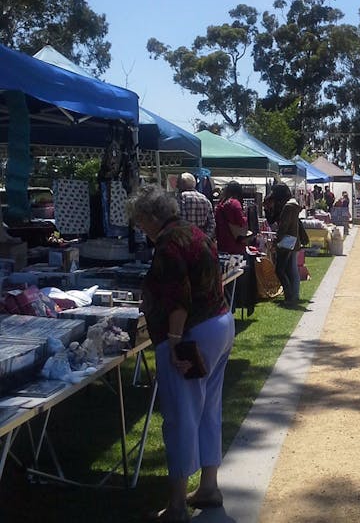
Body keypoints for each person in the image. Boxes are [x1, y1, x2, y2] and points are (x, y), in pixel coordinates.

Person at [128, 185, 234, 523]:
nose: (139, 227)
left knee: (181, 417)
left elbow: (179, 298)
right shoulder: (194, 233)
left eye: (140, 221)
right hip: (219, 324)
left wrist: (174, 342)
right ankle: (208, 487)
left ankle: (176, 506)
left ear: (150, 217)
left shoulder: (169, 243)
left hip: (192, 334)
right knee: (208, 411)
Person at [268, 183, 301, 307]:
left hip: (286, 240)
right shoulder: (293, 204)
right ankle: (291, 295)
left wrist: (276, 241)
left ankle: (289, 296)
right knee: (286, 269)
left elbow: (283, 227)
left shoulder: (288, 207)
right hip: (291, 239)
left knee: (280, 270)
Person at [177, 172, 216, 240]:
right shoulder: (204, 198)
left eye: (178, 183)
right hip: (201, 240)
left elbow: (180, 221)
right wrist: (205, 238)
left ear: (182, 184)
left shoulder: (181, 197)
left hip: (185, 240)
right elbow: (212, 223)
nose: (176, 186)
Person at [214, 181, 248, 255]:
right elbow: (241, 222)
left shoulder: (221, 204)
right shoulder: (235, 203)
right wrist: (246, 218)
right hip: (235, 244)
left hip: (222, 243)